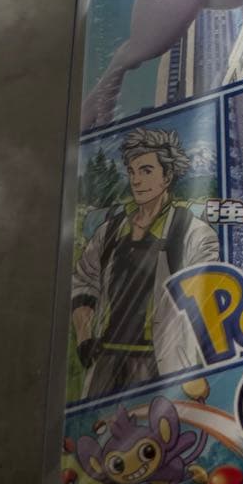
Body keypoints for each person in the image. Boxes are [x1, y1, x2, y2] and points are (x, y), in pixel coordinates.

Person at [71, 127, 218, 399]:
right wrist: (84, 339)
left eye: (146, 171)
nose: (136, 180)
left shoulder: (194, 233)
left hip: (161, 365)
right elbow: (83, 281)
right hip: (105, 362)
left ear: (168, 176)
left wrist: (193, 368)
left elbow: (204, 301)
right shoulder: (110, 231)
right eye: (132, 171)